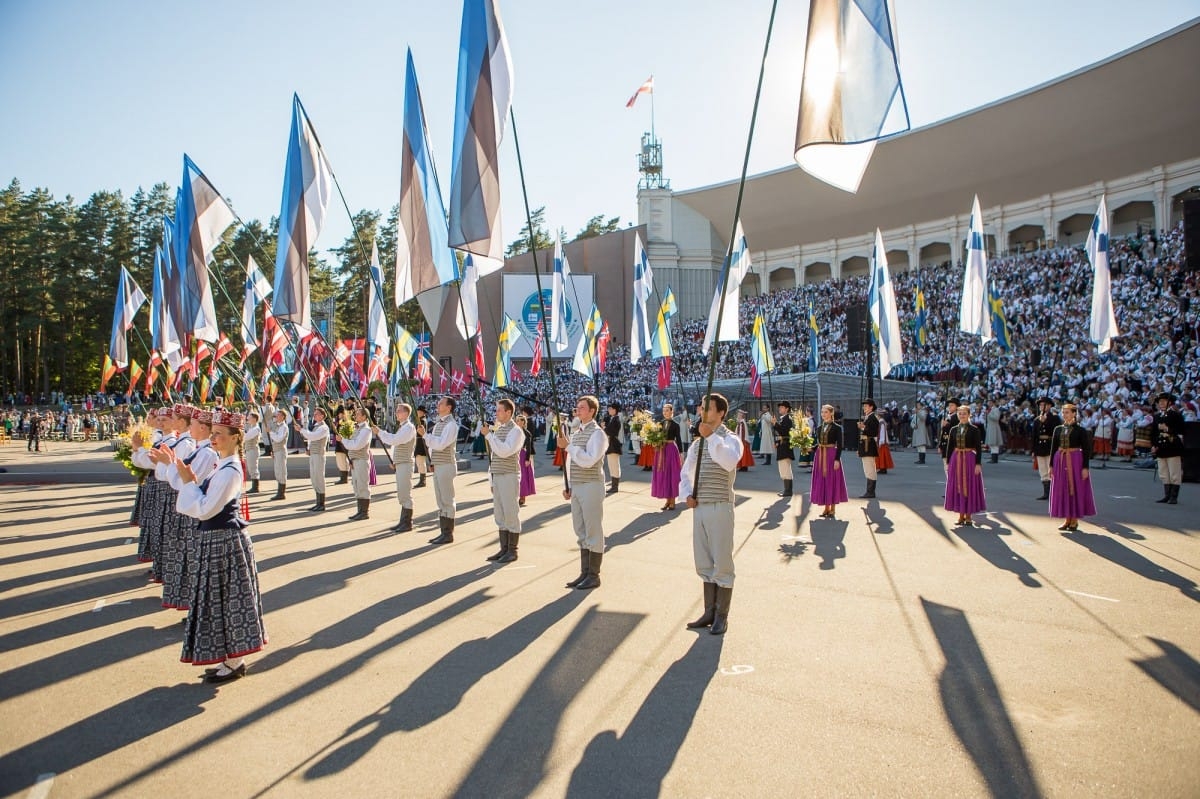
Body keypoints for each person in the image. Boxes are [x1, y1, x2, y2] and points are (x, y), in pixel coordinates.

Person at [175, 409, 267, 683]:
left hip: (224, 541)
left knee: (229, 599)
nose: (213, 439)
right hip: (217, 539)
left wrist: (190, 482)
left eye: (218, 435)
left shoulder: (229, 471)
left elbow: (206, 509)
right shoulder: (223, 465)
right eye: (212, 434)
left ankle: (235, 660)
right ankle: (228, 657)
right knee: (220, 599)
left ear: (235, 437)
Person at [679, 393, 743, 635]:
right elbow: (686, 473)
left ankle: (722, 616)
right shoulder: (698, 443)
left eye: (707, 408)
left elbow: (727, 461)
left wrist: (711, 437)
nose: (701, 411)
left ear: (721, 413)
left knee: (722, 561)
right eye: (701, 407)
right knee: (704, 560)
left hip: (720, 505)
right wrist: (687, 494)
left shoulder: (730, 439)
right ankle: (709, 610)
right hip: (701, 506)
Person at [559, 396, 607, 590]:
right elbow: (571, 462)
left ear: (592, 411)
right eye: (577, 407)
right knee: (580, 529)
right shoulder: (577, 431)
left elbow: (589, 460)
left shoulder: (597, 434)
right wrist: (568, 484)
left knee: (592, 529)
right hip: (578, 485)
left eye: (582, 407)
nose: (577, 410)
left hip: (591, 484)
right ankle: (584, 572)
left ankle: (594, 575)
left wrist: (568, 446)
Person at [482, 398, 526, 563]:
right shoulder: (500, 429)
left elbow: (505, 451)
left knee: (510, 512)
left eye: (500, 410)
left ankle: (512, 550)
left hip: (509, 474)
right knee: (499, 513)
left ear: (509, 412)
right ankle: (504, 548)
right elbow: (494, 457)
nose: (497, 413)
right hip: (498, 474)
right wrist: (491, 480)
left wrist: (489, 437)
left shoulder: (515, 431)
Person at [1049, 403, 1096, 530]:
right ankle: (1067, 519)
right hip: (1060, 460)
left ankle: (1074, 519)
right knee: (1062, 488)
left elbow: (1086, 450)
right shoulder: (1057, 429)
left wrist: (1085, 467)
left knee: (1074, 487)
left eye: (1068, 412)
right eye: (1063, 412)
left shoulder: (1080, 430)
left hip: (1075, 460)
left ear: (1074, 413)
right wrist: (1051, 465)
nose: (1065, 415)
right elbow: (1053, 448)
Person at [374, 402, 417, 532]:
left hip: (405, 463)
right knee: (401, 492)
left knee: (405, 493)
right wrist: (394, 460)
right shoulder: (402, 427)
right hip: (401, 462)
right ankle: (403, 521)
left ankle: (407, 522)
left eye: (399, 411)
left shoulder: (408, 427)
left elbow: (395, 440)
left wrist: (380, 432)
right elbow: (396, 446)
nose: (396, 413)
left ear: (406, 413)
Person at [944, 404, 987, 527]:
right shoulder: (953, 429)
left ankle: (968, 515)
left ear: (969, 415)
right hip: (956, 458)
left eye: (964, 413)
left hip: (969, 458)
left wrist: (978, 463)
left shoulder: (974, 429)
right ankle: (960, 515)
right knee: (957, 485)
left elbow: (978, 448)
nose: (962, 416)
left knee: (968, 485)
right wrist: (947, 462)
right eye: (960, 413)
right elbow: (950, 447)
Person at [425, 396, 460, 543]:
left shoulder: (451, 425)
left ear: (449, 407)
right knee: (440, 499)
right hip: (439, 464)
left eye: (441, 403)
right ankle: (443, 531)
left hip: (446, 464)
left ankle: (448, 533)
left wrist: (425, 436)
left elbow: (441, 444)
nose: (438, 405)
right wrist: (432, 461)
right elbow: (434, 447)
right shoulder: (440, 423)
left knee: (447, 499)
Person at [810, 404, 848, 519]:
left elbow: (840, 445)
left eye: (826, 412)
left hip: (831, 455)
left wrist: (837, 459)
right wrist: (811, 448)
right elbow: (819, 443)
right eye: (822, 412)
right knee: (823, 480)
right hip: (820, 455)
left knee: (831, 480)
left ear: (831, 413)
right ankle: (825, 508)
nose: (823, 414)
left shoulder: (837, 427)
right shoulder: (819, 428)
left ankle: (832, 508)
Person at [1151, 392, 1185, 505]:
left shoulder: (1175, 415)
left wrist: (1168, 429)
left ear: (1169, 402)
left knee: (1174, 472)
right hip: (1161, 447)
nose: (1161, 404)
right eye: (1159, 402)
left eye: (1164, 401)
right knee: (1163, 473)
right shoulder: (1156, 416)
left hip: (1172, 446)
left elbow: (1181, 430)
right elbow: (1153, 433)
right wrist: (1154, 445)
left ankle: (1173, 496)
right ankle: (1166, 495)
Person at [343, 405, 374, 521]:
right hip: (355, 461)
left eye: (358, 414)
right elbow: (352, 445)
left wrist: (343, 440)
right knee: (356, 486)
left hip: (361, 460)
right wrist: (350, 459)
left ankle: (364, 512)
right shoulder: (357, 429)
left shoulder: (366, 430)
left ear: (364, 417)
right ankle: (360, 511)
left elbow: (357, 445)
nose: (355, 415)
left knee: (362, 486)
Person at [297, 406, 330, 512]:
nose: (314, 415)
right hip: (313, 454)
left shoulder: (323, 427)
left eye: (316, 414)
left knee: (319, 478)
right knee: (314, 478)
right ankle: (318, 502)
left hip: (319, 455)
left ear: (322, 416)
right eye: (314, 414)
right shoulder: (316, 426)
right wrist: (308, 448)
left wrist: (301, 430)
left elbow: (313, 436)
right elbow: (311, 440)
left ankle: (321, 504)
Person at [651, 403, 683, 511]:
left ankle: (672, 501)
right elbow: (656, 437)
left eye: (667, 410)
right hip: (661, 450)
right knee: (664, 475)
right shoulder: (660, 423)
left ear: (671, 411)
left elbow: (678, 440)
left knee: (671, 475)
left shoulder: (675, 424)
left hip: (671, 450)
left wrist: (681, 454)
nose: (665, 412)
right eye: (663, 410)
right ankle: (667, 501)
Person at [1031, 398, 1062, 501]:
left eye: (1044, 405)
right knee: (1043, 471)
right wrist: (1033, 450)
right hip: (1040, 447)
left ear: (1049, 406)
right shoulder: (1036, 420)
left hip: (1050, 446)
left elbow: (1056, 432)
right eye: (1040, 405)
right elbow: (1034, 436)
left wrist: (1046, 422)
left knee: (1051, 470)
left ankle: (1055, 493)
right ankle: (1046, 493)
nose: (1042, 407)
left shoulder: (1055, 418)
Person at [857, 399, 880, 499]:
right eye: (864, 406)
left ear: (871, 407)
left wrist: (863, 427)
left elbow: (873, 432)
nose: (864, 408)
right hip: (866, 445)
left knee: (870, 468)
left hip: (869, 445)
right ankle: (869, 491)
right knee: (868, 468)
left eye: (866, 406)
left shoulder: (873, 417)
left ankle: (870, 491)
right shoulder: (868, 417)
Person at [773, 401, 795, 497]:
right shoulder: (784, 419)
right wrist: (777, 442)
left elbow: (784, 432)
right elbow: (781, 434)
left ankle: (788, 490)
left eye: (782, 407)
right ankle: (786, 489)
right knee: (783, 469)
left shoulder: (788, 419)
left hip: (785, 448)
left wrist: (775, 424)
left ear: (786, 409)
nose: (780, 409)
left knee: (785, 469)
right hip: (782, 446)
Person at [268, 408, 290, 500]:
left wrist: (270, 432)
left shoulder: (284, 427)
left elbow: (278, 439)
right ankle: (279, 491)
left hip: (281, 451)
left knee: (281, 471)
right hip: (277, 450)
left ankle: (281, 493)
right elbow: (274, 441)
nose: (276, 416)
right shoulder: (277, 426)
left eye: (278, 415)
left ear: (283, 417)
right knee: (277, 471)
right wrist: (273, 450)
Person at [517, 413, 537, 507]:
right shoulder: (513, 432)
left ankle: (522, 496)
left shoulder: (527, 433)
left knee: (523, 476)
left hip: (522, 454)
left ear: (524, 422)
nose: (517, 422)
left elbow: (529, 447)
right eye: (517, 420)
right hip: (514, 454)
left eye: (520, 421)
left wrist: (527, 458)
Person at [604, 402, 624, 494]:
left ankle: (615, 486)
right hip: (610, 444)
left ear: (615, 410)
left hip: (613, 444)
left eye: (611, 409)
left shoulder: (616, 419)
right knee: (611, 465)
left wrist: (604, 427)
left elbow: (610, 431)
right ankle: (613, 485)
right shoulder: (611, 419)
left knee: (614, 465)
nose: (609, 410)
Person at [243, 411, 263, 494]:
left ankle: (255, 487)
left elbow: (246, 437)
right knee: (251, 468)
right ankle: (254, 486)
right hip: (249, 449)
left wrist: (241, 431)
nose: (248, 419)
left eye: (249, 417)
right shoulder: (252, 427)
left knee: (253, 468)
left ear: (254, 419)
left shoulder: (256, 428)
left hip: (252, 450)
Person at [413, 407, 429, 488]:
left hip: (420, 443)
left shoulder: (422, 421)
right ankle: (422, 480)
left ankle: (422, 480)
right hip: (420, 442)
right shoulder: (422, 420)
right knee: (420, 462)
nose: (417, 413)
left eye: (419, 411)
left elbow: (419, 432)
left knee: (420, 462)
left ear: (422, 412)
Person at [875, 408, 893, 474]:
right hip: (883, 442)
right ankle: (883, 468)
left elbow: (882, 433)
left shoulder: (881, 423)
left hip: (882, 442)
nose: (876, 416)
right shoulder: (882, 422)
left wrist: (880, 442)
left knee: (881, 456)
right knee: (883, 456)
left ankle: (882, 468)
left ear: (879, 415)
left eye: (876, 415)